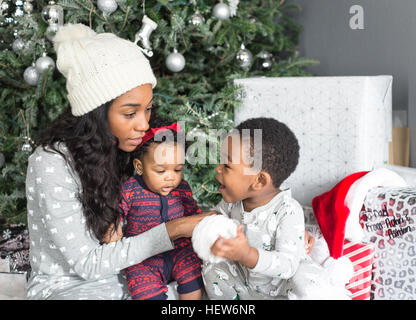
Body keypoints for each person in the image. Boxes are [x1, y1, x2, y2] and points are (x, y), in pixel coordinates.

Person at [24, 23, 212, 300]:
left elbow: (171, 200)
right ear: (96, 113)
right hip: (72, 287)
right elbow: (87, 264)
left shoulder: (139, 147)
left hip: (140, 273)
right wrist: (174, 230)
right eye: (129, 113)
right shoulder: (52, 163)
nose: (143, 124)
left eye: (147, 109)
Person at [200, 117, 347, 300]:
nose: (217, 169)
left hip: (282, 289)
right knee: (213, 266)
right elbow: (212, 222)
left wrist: (247, 254)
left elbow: (287, 266)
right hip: (246, 286)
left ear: (259, 181)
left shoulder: (288, 210)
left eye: (227, 166)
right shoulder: (233, 203)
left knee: (309, 283)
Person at [119, 116, 203, 300]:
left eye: (177, 170)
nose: (170, 178)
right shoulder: (131, 188)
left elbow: (193, 215)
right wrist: (113, 227)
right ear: (140, 167)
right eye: (161, 171)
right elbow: (116, 211)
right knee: (142, 285)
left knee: (193, 273)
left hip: (180, 251)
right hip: (145, 258)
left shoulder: (182, 188)